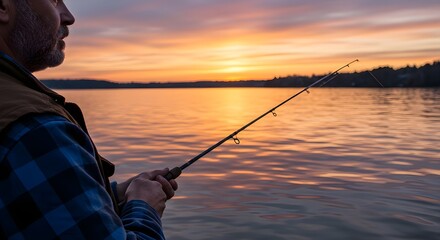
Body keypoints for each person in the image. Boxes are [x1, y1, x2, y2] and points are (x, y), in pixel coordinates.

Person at [0, 0, 178, 239]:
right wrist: (144, 206)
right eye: (54, 0)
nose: (69, 16)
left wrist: (108, 194)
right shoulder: (36, 130)